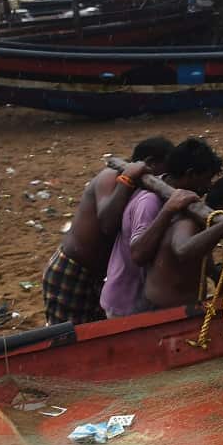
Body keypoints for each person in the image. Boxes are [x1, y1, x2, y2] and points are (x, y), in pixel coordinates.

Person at [42, 136, 172, 325]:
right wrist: (127, 179)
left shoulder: (141, 191)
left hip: (98, 278)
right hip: (73, 271)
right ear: (150, 164)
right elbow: (107, 223)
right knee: (69, 342)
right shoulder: (111, 178)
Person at [100, 137, 221, 318]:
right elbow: (138, 255)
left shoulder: (173, 194)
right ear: (190, 174)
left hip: (144, 296)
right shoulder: (150, 201)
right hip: (130, 302)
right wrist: (168, 210)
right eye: (206, 179)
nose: (208, 186)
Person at [144, 172, 223, 311]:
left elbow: (203, 259)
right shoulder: (188, 223)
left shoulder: (207, 229)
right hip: (162, 313)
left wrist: (217, 277)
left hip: (184, 307)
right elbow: (183, 251)